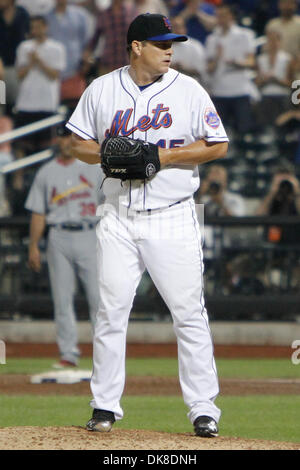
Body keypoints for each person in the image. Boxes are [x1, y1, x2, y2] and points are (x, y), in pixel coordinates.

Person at [67, 13, 228, 437]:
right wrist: (107, 152)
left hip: (172, 214)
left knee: (188, 313)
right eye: (161, 44)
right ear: (136, 46)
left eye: (171, 43)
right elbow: (77, 143)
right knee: (110, 312)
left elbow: (217, 144)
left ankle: (203, 408)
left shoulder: (188, 89)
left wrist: (163, 156)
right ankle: (104, 405)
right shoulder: (102, 89)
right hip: (116, 216)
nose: (169, 50)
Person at [25, 124, 104, 368]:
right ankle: (68, 353)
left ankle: (105, 356)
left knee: (98, 300)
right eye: (62, 137)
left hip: (90, 234)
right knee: (62, 299)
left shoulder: (94, 168)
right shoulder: (46, 172)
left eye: (71, 136)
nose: (67, 141)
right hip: (58, 236)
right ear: (56, 141)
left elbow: (113, 202)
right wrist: (33, 246)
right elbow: (39, 213)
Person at [14, 15, 66, 153]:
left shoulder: (57, 48)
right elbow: (19, 75)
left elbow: (54, 75)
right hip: (26, 104)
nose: (35, 30)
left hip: (46, 103)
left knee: (46, 146)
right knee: (22, 145)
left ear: (45, 27)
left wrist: (39, 61)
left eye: (38, 27)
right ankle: (19, 175)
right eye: (33, 27)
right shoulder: (24, 47)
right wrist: (31, 62)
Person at [205, 4, 256, 135]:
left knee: (243, 129)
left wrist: (236, 63)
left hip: (240, 90)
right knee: (219, 131)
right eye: (218, 16)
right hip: (219, 91)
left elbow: (251, 62)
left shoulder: (245, 35)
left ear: (231, 16)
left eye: (224, 15)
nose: (221, 19)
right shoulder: (212, 39)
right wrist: (217, 56)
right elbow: (209, 69)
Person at [46, 0, 92, 111]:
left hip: (74, 73)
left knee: (76, 112)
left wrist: (85, 64)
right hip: (51, 75)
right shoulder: (46, 18)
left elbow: (88, 43)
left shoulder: (80, 15)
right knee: (53, 114)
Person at [255, 30, 292, 127]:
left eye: (275, 41)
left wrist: (277, 80)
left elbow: (291, 82)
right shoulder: (260, 59)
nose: (272, 44)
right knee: (265, 124)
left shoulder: (287, 59)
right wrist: (264, 80)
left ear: (279, 42)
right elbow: (257, 82)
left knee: (281, 125)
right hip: (266, 96)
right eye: (270, 41)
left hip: (282, 96)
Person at [0, 0, 30, 114]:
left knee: (17, 106)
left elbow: (29, 36)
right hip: (1, 68)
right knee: (1, 104)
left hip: (19, 68)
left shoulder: (23, 14)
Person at [170, 15, 207, 84]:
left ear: (184, 28)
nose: (175, 30)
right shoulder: (163, 46)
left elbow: (201, 71)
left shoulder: (195, 46)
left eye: (178, 27)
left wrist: (183, 68)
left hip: (191, 86)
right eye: (172, 28)